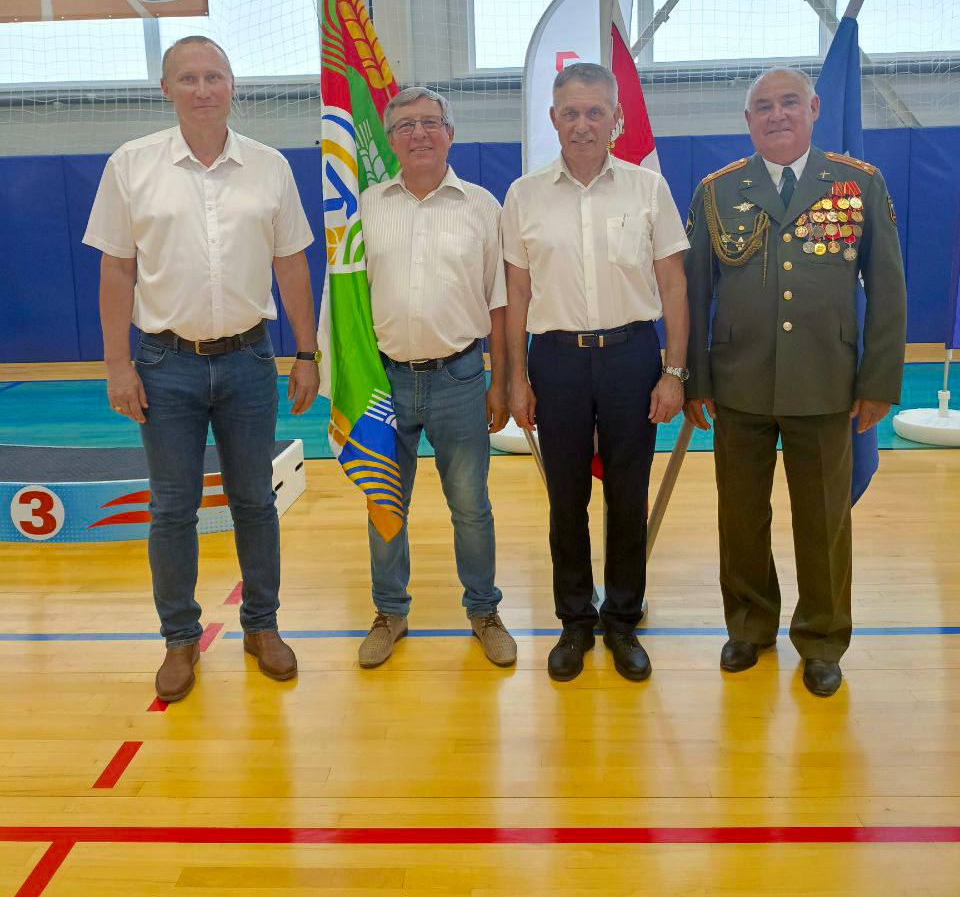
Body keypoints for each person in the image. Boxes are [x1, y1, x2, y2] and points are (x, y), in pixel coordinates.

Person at [83, 35, 320, 702]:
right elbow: (116, 269)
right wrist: (118, 365)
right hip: (164, 365)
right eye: (188, 78)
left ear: (233, 84)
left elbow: (291, 264)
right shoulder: (131, 165)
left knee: (255, 501)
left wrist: (307, 353)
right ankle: (179, 639)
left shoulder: (269, 167)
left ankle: (262, 626)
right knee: (171, 508)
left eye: (214, 76)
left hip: (249, 360)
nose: (203, 89)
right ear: (166, 89)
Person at [683, 67, 907, 697]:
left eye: (789, 103)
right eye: (763, 106)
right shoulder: (717, 191)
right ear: (748, 120)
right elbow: (695, 292)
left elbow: (887, 287)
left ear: (814, 109)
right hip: (739, 381)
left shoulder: (858, 184)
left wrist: (879, 380)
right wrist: (695, 379)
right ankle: (749, 626)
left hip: (824, 381)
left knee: (824, 519)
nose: (777, 114)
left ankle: (823, 638)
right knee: (741, 516)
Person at [503, 62, 690, 683]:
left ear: (617, 118)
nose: (582, 124)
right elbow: (517, 294)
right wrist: (516, 379)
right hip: (555, 359)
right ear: (553, 119)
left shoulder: (647, 189)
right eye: (570, 113)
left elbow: (673, 284)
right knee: (566, 499)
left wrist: (674, 371)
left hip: (631, 356)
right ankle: (576, 621)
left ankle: (623, 620)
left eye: (594, 112)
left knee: (627, 496)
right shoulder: (524, 195)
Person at [357, 86, 516, 669]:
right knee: (384, 506)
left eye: (430, 122)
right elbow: (346, 304)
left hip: (461, 377)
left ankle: (484, 610)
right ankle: (389, 612)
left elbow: (499, 303)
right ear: (390, 139)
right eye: (406, 125)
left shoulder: (482, 206)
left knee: (471, 506)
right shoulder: (366, 208)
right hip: (384, 381)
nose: (419, 133)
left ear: (450, 133)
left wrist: (501, 382)